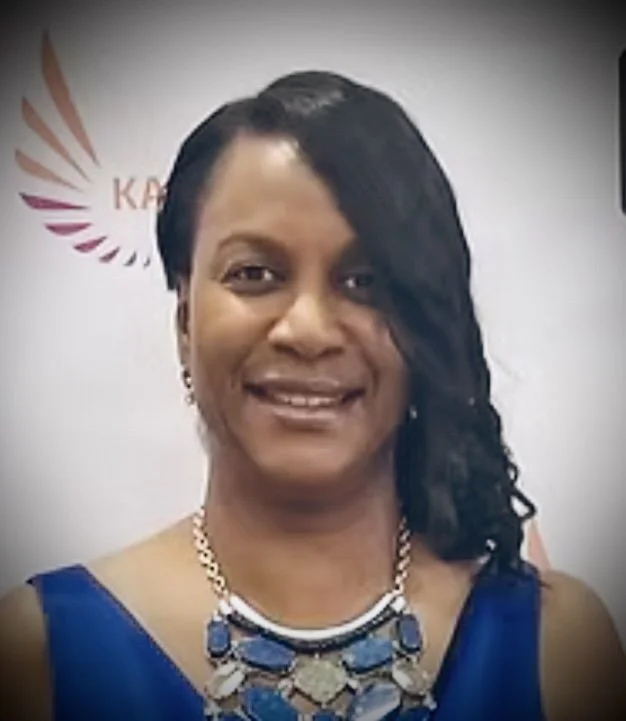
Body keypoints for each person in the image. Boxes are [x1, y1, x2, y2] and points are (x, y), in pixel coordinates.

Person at [1, 70, 624, 721]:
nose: (308, 330)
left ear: (425, 326)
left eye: (364, 281)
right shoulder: (40, 653)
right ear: (185, 322)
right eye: (254, 273)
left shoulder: (557, 645)